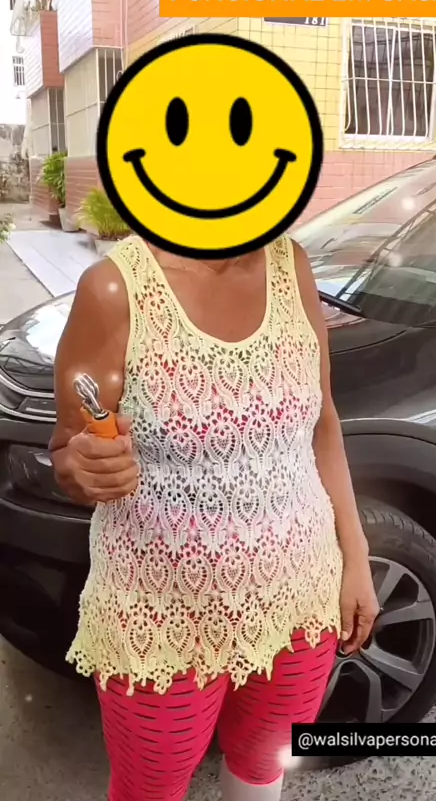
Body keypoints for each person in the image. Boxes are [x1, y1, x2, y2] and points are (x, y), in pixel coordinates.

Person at [50, 232, 379, 801]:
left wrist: (357, 558)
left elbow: (323, 420)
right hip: (160, 618)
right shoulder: (113, 288)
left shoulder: (292, 266)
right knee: (150, 791)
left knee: (263, 767)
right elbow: (68, 445)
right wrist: (81, 468)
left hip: (300, 601)